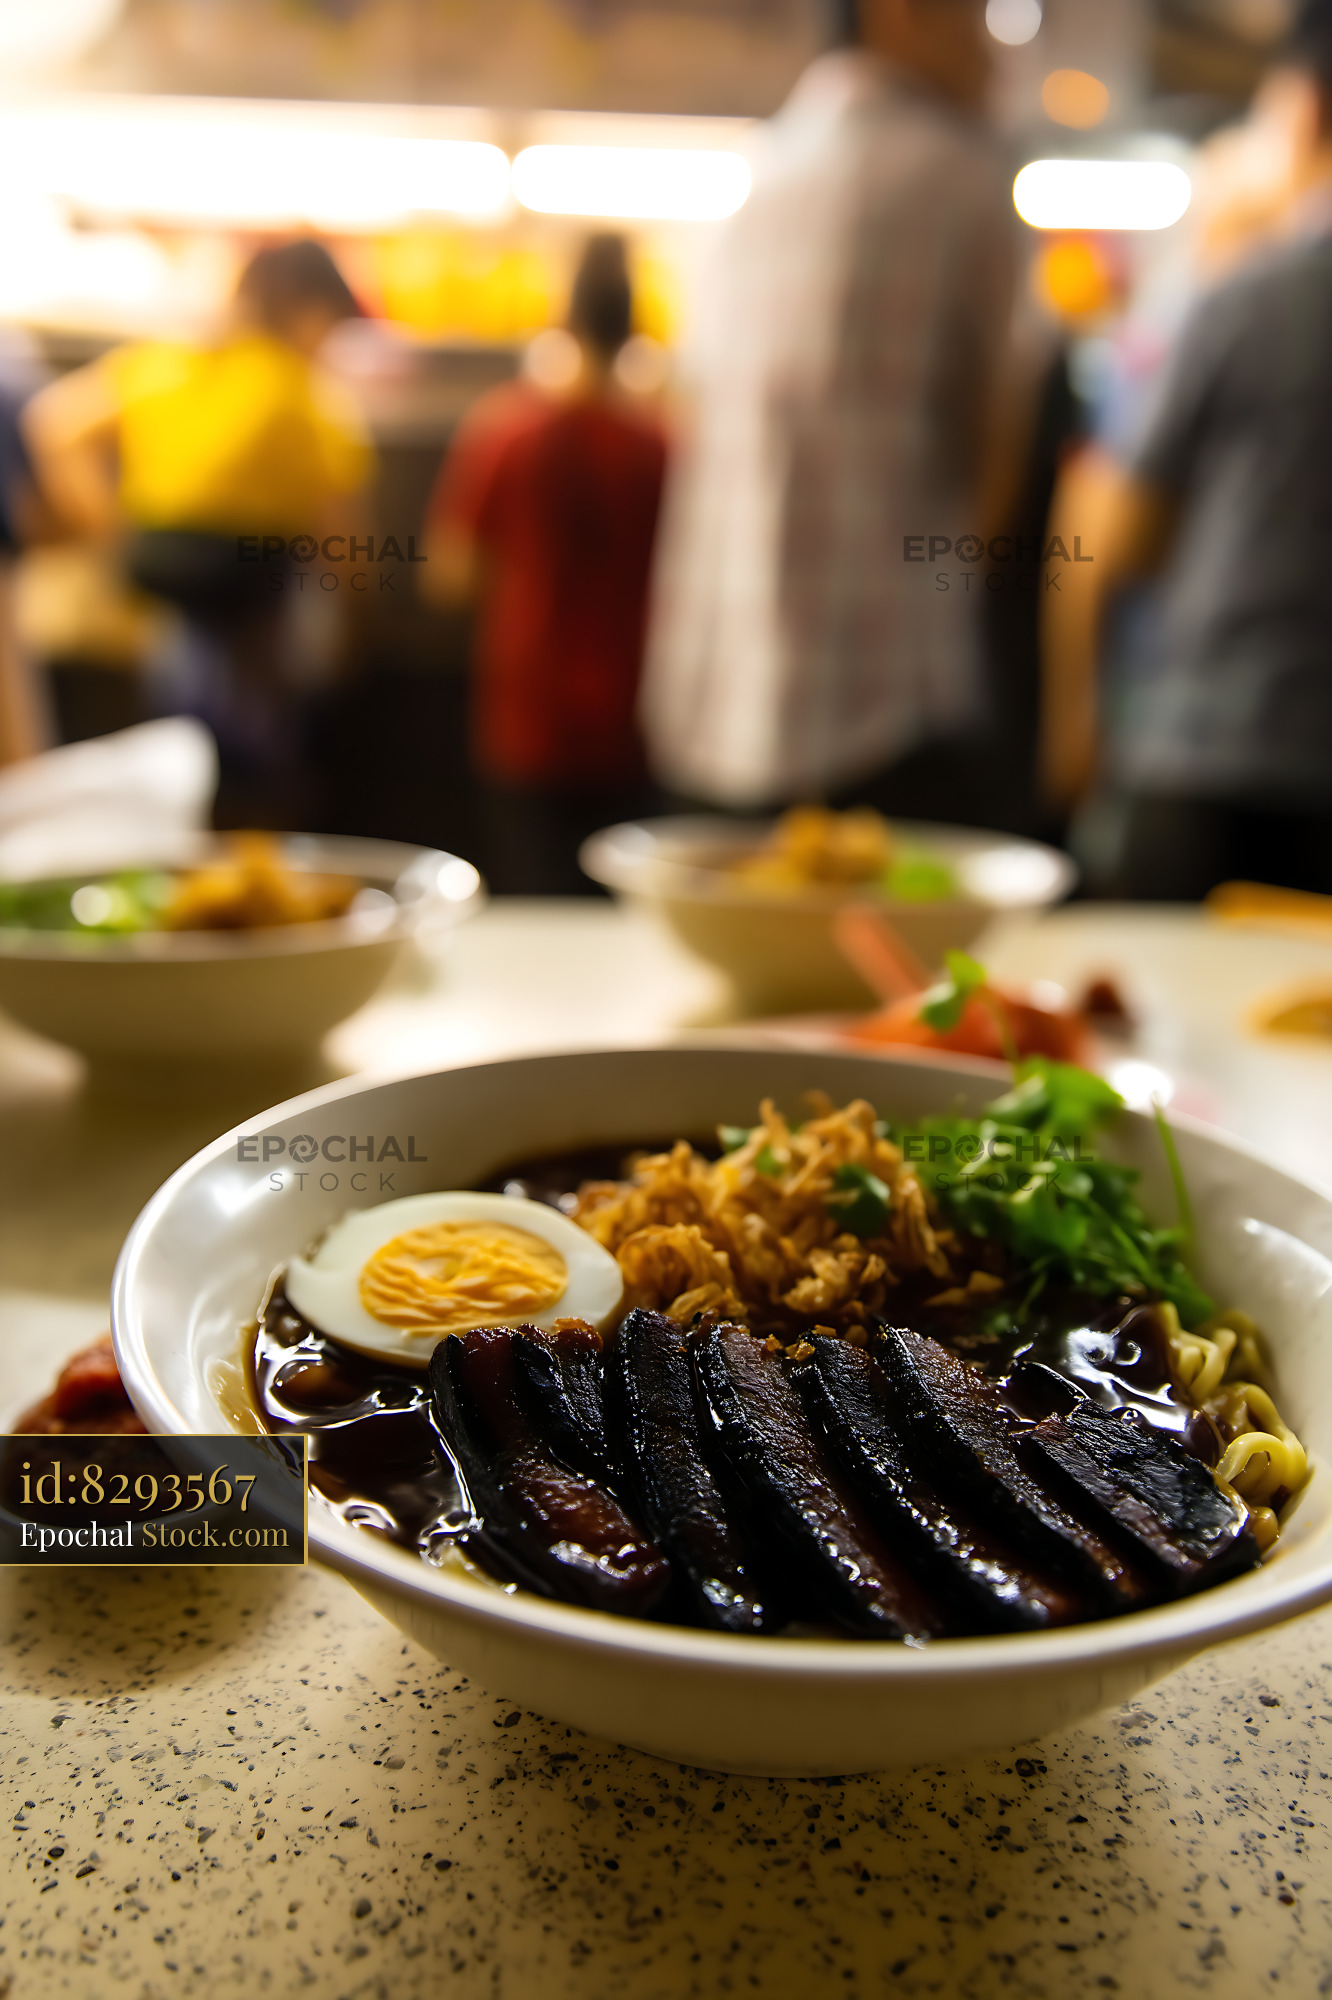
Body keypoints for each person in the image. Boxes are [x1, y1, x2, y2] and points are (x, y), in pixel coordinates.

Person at [639, 0, 1019, 816]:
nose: (994, 53)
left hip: (716, 694)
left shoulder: (750, 176)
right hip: (887, 694)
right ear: (902, 15)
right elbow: (999, 434)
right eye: (976, 17)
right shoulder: (960, 175)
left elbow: (688, 407)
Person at [1042, 1, 1332, 899]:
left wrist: (1072, 728)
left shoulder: (1248, 297)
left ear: (1303, 109)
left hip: (1214, 764)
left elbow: (1107, 533)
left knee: (1175, 1032)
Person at [23, 240, 371, 822]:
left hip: (164, 598)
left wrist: (110, 534)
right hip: (258, 610)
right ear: (311, 313)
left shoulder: (168, 364)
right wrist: (360, 622)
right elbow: (342, 534)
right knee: (258, 765)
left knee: (181, 753)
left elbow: (55, 425)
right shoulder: (297, 391)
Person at [425, 234, 668, 895]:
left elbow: (451, 574)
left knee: (534, 904)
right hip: (637, 714)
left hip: (530, 712)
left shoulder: (507, 430)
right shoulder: (664, 441)